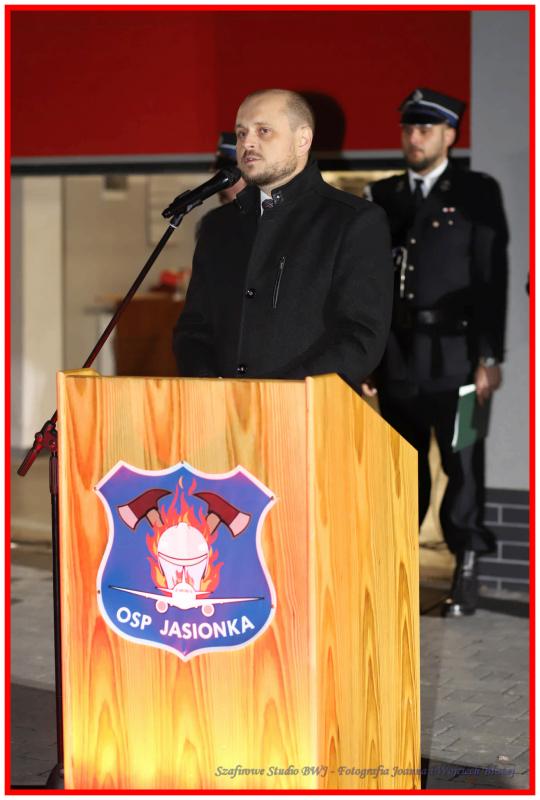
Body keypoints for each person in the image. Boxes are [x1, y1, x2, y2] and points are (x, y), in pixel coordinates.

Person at [364, 88, 508, 616]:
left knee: (463, 461)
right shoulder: (382, 196)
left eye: (425, 129)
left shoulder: (476, 192)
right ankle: (399, 570)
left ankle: (465, 574)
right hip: (398, 358)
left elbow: (492, 277)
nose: (414, 137)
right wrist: (368, 358)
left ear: (450, 134)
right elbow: (369, 286)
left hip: (460, 359)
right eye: (408, 128)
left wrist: (489, 357)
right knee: (403, 468)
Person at [173, 88, 393, 391]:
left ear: (302, 139)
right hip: (223, 409)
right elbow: (193, 329)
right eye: (241, 133)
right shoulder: (218, 226)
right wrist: (211, 387)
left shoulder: (353, 221)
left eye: (263, 131)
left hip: (308, 408)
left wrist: (278, 393)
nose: (247, 143)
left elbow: (361, 337)